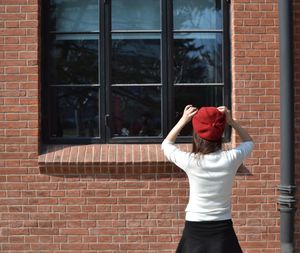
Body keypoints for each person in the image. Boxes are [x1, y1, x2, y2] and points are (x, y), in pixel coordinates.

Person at [161, 105, 254, 253]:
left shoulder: (191, 161)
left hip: (194, 227)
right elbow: (249, 142)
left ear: (197, 133)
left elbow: (166, 144)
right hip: (223, 228)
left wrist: (183, 120)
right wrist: (231, 121)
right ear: (220, 132)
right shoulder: (231, 158)